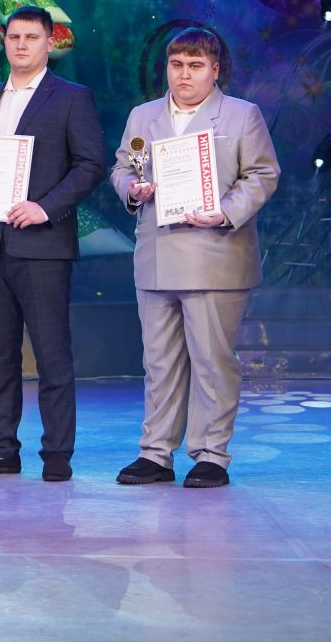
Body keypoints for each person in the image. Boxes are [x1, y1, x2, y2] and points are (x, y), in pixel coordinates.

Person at [111, 27, 279, 489]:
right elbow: (122, 167)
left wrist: (224, 211)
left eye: (195, 66)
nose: (184, 75)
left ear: (214, 70)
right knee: (159, 362)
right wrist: (132, 189)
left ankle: (211, 455)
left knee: (211, 361)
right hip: (157, 255)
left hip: (215, 254)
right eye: (177, 65)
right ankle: (155, 453)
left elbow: (263, 174)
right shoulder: (143, 116)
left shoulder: (241, 115)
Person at [0, 5, 106, 482]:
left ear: (49, 43)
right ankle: (1, 450)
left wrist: (45, 206)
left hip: (42, 245)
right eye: (14, 36)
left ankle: (57, 452)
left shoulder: (71, 97)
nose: (20, 44)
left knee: (52, 354)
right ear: (4, 42)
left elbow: (90, 164)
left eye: (31, 37)